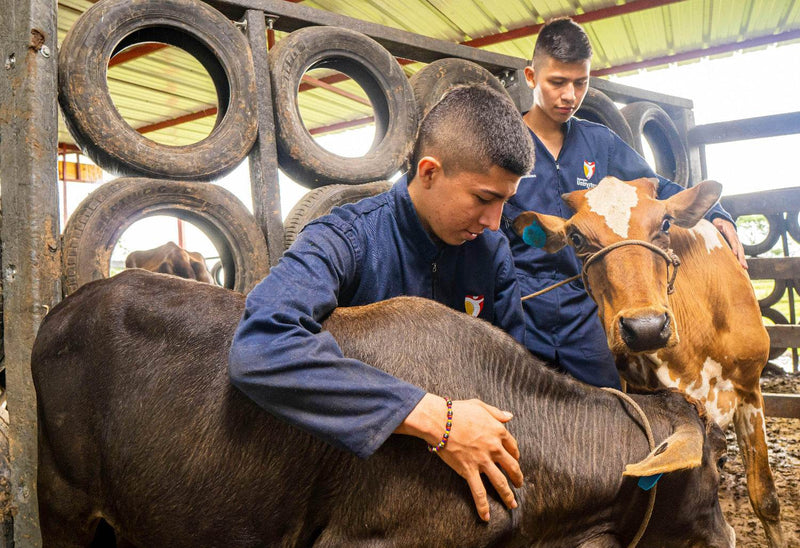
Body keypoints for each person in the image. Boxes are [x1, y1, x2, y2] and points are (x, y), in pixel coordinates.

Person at [229, 84, 535, 522]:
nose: (493, 222)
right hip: (355, 484)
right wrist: (437, 419)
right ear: (429, 172)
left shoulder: (492, 252)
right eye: (484, 198)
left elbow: (514, 374)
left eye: (505, 201)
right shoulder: (345, 240)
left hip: (459, 478)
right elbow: (261, 346)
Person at [500, 17, 747, 389]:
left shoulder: (600, 143)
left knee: (609, 400)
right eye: (557, 82)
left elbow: (656, 189)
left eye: (580, 83)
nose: (569, 95)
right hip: (520, 300)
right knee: (520, 399)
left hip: (584, 301)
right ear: (531, 77)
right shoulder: (503, 141)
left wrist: (716, 213)